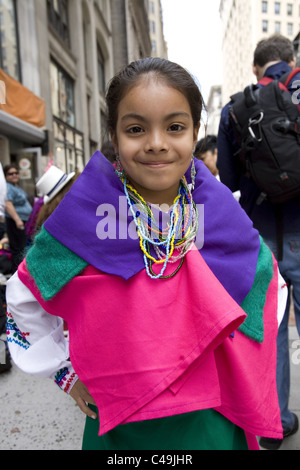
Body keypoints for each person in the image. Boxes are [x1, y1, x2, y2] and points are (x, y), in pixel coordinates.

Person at [6, 58, 286, 450]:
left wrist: (224, 350)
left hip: (210, 418)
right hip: (122, 424)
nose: (156, 142)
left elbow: (268, 285)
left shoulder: (218, 209)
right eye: (136, 129)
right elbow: (23, 297)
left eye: (175, 127)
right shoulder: (86, 213)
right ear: (114, 134)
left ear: (195, 133)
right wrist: (66, 375)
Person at [217, 34, 300, 450]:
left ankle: (275, 422)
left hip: (261, 237)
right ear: (290, 60)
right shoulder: (298, 89)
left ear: (256, 68)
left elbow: (228, 185)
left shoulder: (235, 107)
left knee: (271, 329)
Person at [4, 164, 32, 273]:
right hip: (16, 222)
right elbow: (8, 204)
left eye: (16, 173)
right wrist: (17, 220)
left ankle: (20, 270)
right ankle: (17, 272)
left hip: (23, 221)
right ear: (6, 176)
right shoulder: (8, 187)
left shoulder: (15, 186)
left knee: (22, 247)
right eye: (11, 174)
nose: (14, 175)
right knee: (18, 249)